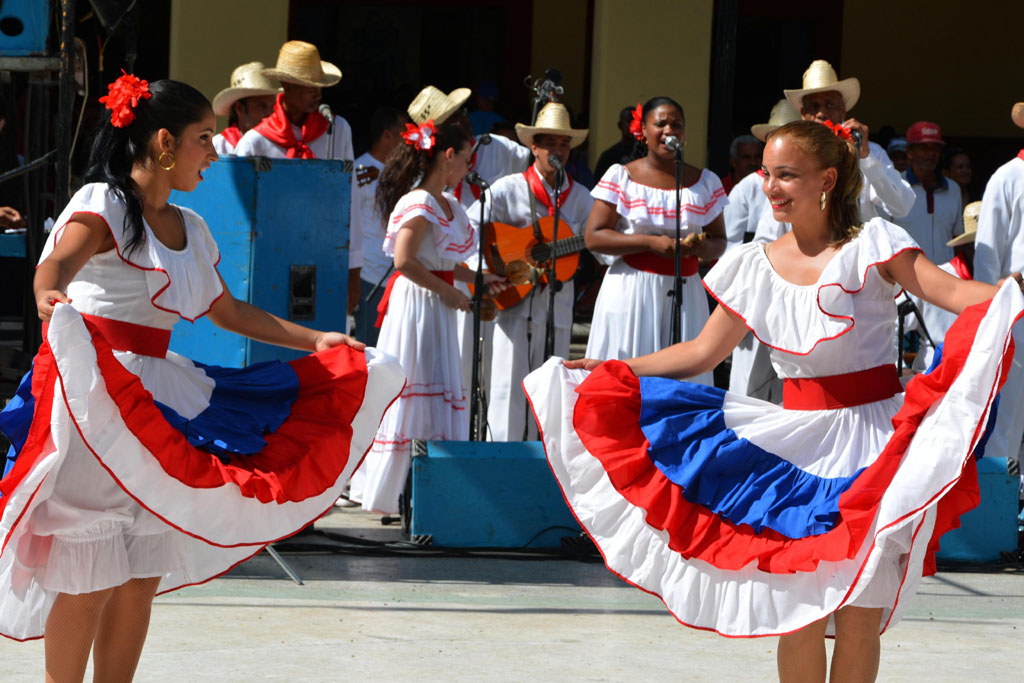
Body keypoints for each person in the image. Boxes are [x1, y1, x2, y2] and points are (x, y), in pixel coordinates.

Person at [525, 120, 1023, 683]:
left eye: (786, 174)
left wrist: (1014, 293)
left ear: (827, 179)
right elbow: (699, 352)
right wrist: (614, 369)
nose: (771, 185)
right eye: (767, 172)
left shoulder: (874, 243)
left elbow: (951, 293)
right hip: (794, 446)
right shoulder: (753, 263)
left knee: (860, 615)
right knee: (798, 614)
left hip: (875, 445)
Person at [0, 75, 404, 681]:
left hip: (159, 396)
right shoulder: (104, 204)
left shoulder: (190, 227)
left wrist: (315, 339)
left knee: (138, 574)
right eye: (203, 140)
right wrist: (47, 291)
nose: (213, 155)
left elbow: (228, 310)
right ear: (164, 142)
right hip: (96, 399)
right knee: (88, 567)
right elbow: (58, 260)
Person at [357, 119, 504, 514]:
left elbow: (438, 263)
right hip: (417, 305)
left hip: (435, 302)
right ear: (448, 155)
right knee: (415, 383)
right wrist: (450, 292)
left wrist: (480, 279)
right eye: (467, 158)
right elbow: (405, 260)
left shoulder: (449, 204)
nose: (469, 168)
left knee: (434, 383)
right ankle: (393, 492)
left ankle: (428, 488)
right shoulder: (418, 201)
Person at [466, 102, 593, 441]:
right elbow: (469, 228)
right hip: (513, 301)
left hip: (558, 305)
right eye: (550, 143)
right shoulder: (508, 188)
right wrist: (490, 269)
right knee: (507, 387)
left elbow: (601, 241)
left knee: (551, 388)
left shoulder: (581, 198)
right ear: (533, 147)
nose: (558, 151)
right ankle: (501, 462)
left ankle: (545, 460)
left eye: (564, 144)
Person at [583, 96, 727, 384]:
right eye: (660, 123)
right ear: (643, 130)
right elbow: (594, 237)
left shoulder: (704, 182)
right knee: (628, 382)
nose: (669, 130)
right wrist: (649, 243)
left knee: (685, 381)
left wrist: (700, 247)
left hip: (685, 289)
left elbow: (720, 240)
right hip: (632, 288)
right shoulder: (621, 176)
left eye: (677, 124)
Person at [234, 41, 361, 322]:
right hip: (271, 261)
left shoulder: (337, 130)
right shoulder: (255, 142)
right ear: (286, 85)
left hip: (325, 257)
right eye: (307, 85)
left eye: (319, 85)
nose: (317, 92)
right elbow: (239, 217)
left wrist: (354, 269)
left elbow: (351, 199)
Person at [754, 59, 916, 244]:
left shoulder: (870, 152)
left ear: (843, 110)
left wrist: (866, 158)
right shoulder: (790, 156)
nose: (822, 113)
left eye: (829, 104)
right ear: (803, 113)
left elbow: (901, 207)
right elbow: (766, 237)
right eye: (814, 107)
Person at [724, 98, 800, 404]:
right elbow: (730, 245)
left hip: (794, 295)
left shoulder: (805, 185)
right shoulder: (747, 187)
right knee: (749, 387)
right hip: (755, 292)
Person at [973, 101, 1024, 487]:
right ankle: (1002, 518)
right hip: (1016, 317)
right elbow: (987, 256)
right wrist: (993, 318)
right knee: (1008, 420)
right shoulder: (1008, 177)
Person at [351, 106, 408, 346]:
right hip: (371, 275)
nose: (407, 141)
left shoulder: (405, 172)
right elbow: (350, 224)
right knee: (369, 347)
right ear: (387, 136)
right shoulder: (359, 171)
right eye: (402, 135)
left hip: (401, 276)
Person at [905, 201, 980, 370]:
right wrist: (898, 370)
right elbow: (891, 326)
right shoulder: (935, 278)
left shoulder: (1004, 282)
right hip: (933, 380)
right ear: (968, 247)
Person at [892, 121, 963, 264]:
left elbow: (958, 238)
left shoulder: (953, 188)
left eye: (935, 148)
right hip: (906, 281)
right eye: (923, 148)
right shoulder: (895, 186)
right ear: (909, 152)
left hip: (947, 277)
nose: (930, 154)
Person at [210, 62, 279, 156]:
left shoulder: (280, 145)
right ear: (239, 109)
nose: (270, 113)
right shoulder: (217, 147)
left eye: (272, 106)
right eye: (261, 106)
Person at [594, 106, 638, 181]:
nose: (633, 125)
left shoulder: (647, 154)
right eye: (629, 121)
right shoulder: (609, 156)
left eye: (636, 121)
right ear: (620, 125)